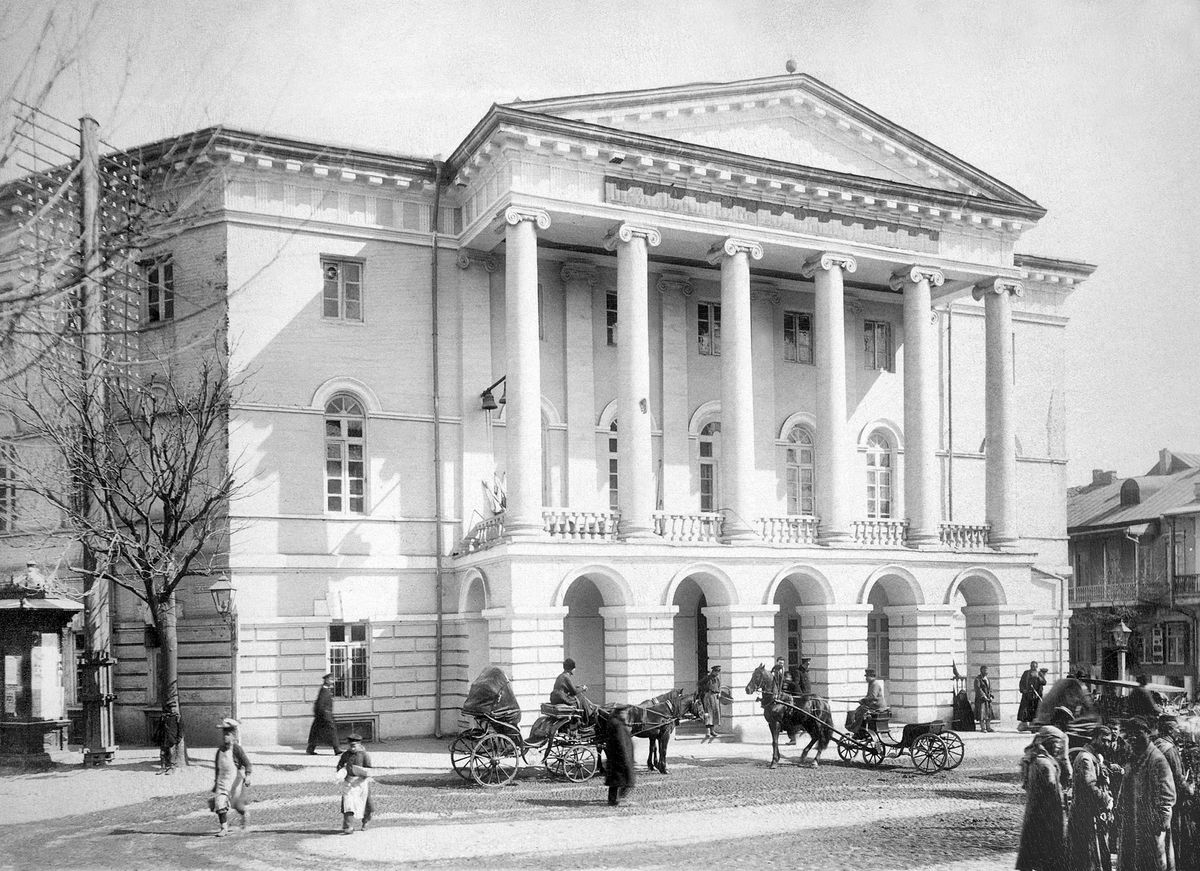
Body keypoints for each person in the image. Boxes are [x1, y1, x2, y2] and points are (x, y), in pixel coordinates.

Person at [1114, 717, 1176, 871]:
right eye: (1130, 735)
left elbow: (1168, 797)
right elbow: (1124, 788)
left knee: (1151, 864)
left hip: (1150, 828)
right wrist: (1119, 808)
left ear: (1148, 733)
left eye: (1138, 733)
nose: (1133, 738)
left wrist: (1159, 825)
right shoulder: (1133, 758)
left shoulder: (1157, 760)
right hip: (1131, 824)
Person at [1016, 725, 1068, 871]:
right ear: (1048, 743)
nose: (1058, 748)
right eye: (1056, 744)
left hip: (1036, 813)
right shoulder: (1044, 764)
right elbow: (1052, 789)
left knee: (1035, 854)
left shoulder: (1034, 760)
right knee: (1047, 854)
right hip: (1046, 816)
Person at [1067, 726, 1114, 871]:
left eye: (1109, 741)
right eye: (1104, 740)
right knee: (1088, 859)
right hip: (1085, 816)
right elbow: (1090, 787)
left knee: (1095, 856)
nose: (1107, 744)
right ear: (1094, 738)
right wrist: (1106, 798)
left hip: (1091, 815)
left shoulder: (1093, 757)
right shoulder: (1086, 759)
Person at [1153, 716, 1191, 866]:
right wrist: (1190, 790)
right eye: (1176, 729)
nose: (1179, 731)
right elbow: (1178, 779)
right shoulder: (1170, 749)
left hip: (1155, 800)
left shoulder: (1154, 745)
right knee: (1172, 841)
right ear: (1169, 729)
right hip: (1171, 802)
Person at [210, 718, 251, 837]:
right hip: (223, 782)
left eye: (228, 734)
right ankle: (224, 828)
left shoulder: (237, 749)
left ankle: (244, 814)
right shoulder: (219, 751)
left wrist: (247, 776)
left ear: (233, 736)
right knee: (219, 803)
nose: (225, 737)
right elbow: (218, 769)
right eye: (224, 734)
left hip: (235, 782)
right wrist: (215, 784)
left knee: (236, 805)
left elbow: (247, 763)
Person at [336, 733, 375, 834]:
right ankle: (348, 826)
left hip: (361, 782)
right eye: (350, 746)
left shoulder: (364, 755)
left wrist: (363, 775)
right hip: (349, 782)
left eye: (354, 746)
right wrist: (341, 772)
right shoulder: (345, 755)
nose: (352, 748)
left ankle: (366, 821)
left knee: (366, 803)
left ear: (359, 745)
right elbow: (340, 766)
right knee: (348, 804)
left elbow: (369, 769)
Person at [604, 706, 635, 806]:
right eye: (624, 713)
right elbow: (621, 743)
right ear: (619, 714)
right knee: (624, 779)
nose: (626, 715)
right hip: (619, 757)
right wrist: (626, 756)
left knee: (615, 780)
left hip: (615, 757)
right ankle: (616, 798)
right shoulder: (618, 725)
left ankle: (613, 799)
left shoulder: (615, 723)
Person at [846, 668, 887, 736]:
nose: (866, 678)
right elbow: (870, 696)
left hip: (877, 706)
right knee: (858, 710)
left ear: (871, 676)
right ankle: (858, 729)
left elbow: (873, 696)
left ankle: (856, 729)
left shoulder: (874, 684)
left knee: (859, 712)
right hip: (874, 705)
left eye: (867, 677)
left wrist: (863, 700)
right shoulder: (871, 684)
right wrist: (863, 701)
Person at [307, 673, 340, 755]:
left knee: (317, 732)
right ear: (326, 680)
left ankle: (310, 749)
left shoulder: (326, 689)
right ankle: (337, 750)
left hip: (322, 715)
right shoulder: (324, 690)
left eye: (333, 679)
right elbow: (320, 703)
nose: (333, 681)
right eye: (331, 679)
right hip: (324, 715)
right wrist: (324, 715)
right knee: (332, 731)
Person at [153, 702, 184, 774]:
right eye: (171, 708)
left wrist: (178, 738)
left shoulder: (177, 717)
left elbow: (180, 729)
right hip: (164, 738)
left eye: (174, 708)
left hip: (172, 738)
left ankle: (172, 768)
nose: (172, 709)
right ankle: (163, 767)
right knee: (162, 753)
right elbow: (159, 728)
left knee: (171, 753)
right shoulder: (164, 717)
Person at [698, 665, 723, 738]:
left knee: (715, 713)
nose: (717, 673)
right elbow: (699, 684)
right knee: (708, 713)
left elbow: (719, 687)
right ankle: (708, 731)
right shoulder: (707, 678)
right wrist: (704, 691)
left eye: (718, 672)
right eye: (716, 671)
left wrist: (719, 693)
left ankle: (712, 730)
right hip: (708, 696)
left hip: (715, 697)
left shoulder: (717, 679)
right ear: (713, 671)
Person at [1018, 660, 1042, 730]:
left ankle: (1033, 726)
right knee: (1025, 710)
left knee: (1034, 711)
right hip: (1027, 695)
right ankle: (1024, 725)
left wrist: (1038, 677)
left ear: (1037, 667)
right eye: (1032, 666)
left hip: (1035, 696)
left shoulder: (1039, 674)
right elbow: (1021, 682)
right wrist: (1023, 690)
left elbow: (1044, 682)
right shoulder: (1026, 673)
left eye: (1034, 666)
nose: (1033, 668)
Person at [974, 665, 995, 732]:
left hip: (988, 699)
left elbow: (990, 688)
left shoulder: (987, 679)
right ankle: (983, 728)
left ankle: (988, 727)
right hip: (981, 700)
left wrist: (991, 696)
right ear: (981, 671)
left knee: (988, 714)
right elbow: (978, 689)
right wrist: (984, 696)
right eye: (985, 670)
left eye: (987, 670)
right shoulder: (977, 679)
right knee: (982, 714)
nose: (986, 672)